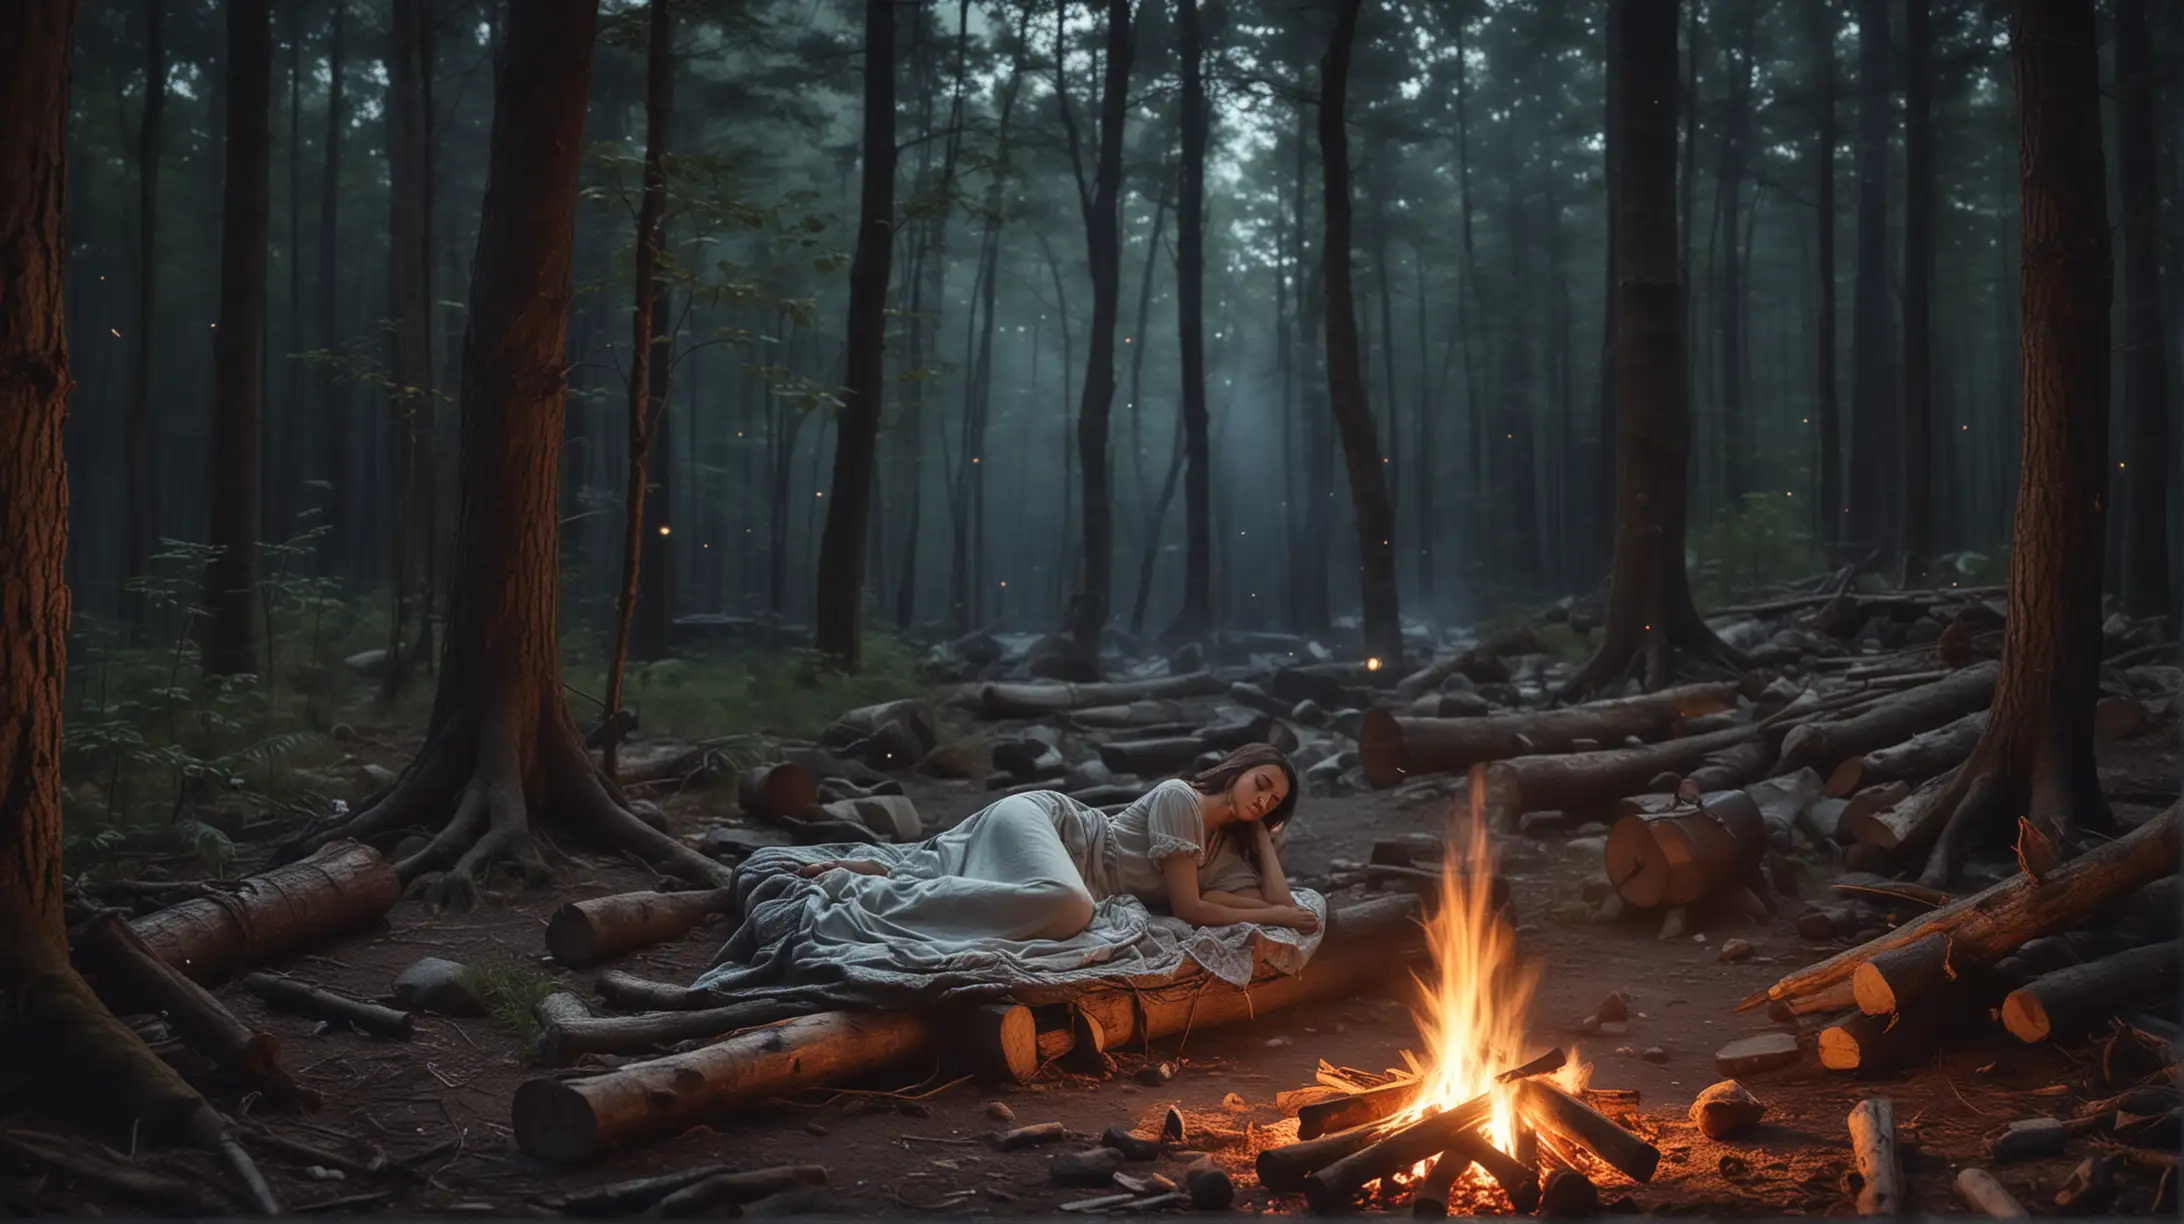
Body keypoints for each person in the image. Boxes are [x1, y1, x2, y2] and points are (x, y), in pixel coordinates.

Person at [790, 742, 1318, 938]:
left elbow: (1276, 903)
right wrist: (1271, 915)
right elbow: (1192, 907)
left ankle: (887, 873)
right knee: (1069, 906)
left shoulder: (1229, 843)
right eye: (1262, 784)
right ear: (1238, 770)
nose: (1263, 799)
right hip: (1051, 824)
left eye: (1274, 803)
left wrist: (1262, 838)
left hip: (1061, 865)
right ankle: (871, 894)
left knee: (1060, 900)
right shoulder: (1181, 799)